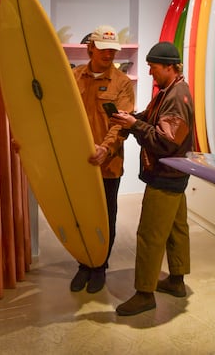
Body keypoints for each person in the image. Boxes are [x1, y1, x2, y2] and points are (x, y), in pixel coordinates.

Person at [111, 41, 194, 316]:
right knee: (176, 229)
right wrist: (132, 119)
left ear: (169, 67)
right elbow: (151, 118)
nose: (150, 73)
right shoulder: (168, 91)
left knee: (149, 234)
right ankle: (177, 280)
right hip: (175, 173)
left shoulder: (176, 95)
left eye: (153, 67)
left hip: (165, 175)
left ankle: (144, 293)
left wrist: (135, 126)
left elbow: (166, 141)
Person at [70, 25, 135, 294]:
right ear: (91, 48)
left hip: (108, 164)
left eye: (114, 50)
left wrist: (105, 149)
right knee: (80, 216)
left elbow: (121, 123)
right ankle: (83, 263)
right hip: (77, 164)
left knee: (106, 216)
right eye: (105, 49)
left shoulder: (122, 83)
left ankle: (100, 265)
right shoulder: (72, 77)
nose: (110, 54)